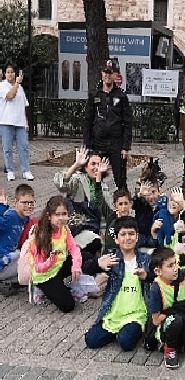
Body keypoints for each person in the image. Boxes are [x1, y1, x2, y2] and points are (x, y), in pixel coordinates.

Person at [84, 216, 149, 351]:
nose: (127, 238)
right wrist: (97, 264)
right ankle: (118, 331)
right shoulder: (112, 259)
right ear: (116, 239)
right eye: (123, 234)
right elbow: (86, 269)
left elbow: (157, 276)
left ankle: (127, 332)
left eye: (131, 234)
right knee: (90, 340)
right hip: (113, 314)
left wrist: (146, 276)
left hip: (136, 314)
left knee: (126, 342)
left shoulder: (145, 260)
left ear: (137, 237)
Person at [54, 147, 110, 271]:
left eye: (99, 164)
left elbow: (105, 212)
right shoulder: (79, 179)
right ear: (85, 167)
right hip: (77, 229)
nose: (96, 167)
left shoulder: (103, 186)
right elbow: (62, 185)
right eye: (93, 164)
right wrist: (75, 165)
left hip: (94, 229)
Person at [25, 196, 82, 313]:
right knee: (68, 306)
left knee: (83, 257)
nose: (61, 218)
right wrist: (49, 261)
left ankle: (60, 285)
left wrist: (76, 266)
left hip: (58, 265)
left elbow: (74, 248)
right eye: (57, 214)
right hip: (45, 275)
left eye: (64, 214)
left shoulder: (64, 228)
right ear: (49, 216)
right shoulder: (40, 235)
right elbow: (37, 267)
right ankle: (39, 288)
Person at [83, 60, 133, 190]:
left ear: (115, 75)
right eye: (105, 72)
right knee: (93, 177)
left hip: (116, 144)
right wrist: (88, 145)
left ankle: (123, 204)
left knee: (120, 180)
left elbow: (128, 122)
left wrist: (125, 147)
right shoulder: (94, 95)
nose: (107, 75)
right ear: (101, 73)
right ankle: (94, 205)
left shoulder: (121, 96)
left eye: (111, 73)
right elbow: (87, 120)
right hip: (97, 143)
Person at [0, 64, 33, 181]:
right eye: (8, 72)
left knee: (23, 147)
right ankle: (10, 170)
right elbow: (10, 96)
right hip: (6, 122)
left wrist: (26, 122)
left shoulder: (21, 89)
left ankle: (26, 170)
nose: (10, 74)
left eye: (12, 72)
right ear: (5, 74)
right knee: (7, 148)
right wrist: (17, 84)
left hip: (20, 123)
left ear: (15, 73)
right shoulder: (2, 86)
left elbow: (24, 106)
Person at [0, 185, 35, 295]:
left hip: (11, 258)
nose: (28, 206)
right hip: (3, 262)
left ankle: (9, 281)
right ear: (16, 202)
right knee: (34, 266)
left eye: (31, 202)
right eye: (24, 203)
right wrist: (1, 206)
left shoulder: (25, 218)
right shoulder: (10, 216)